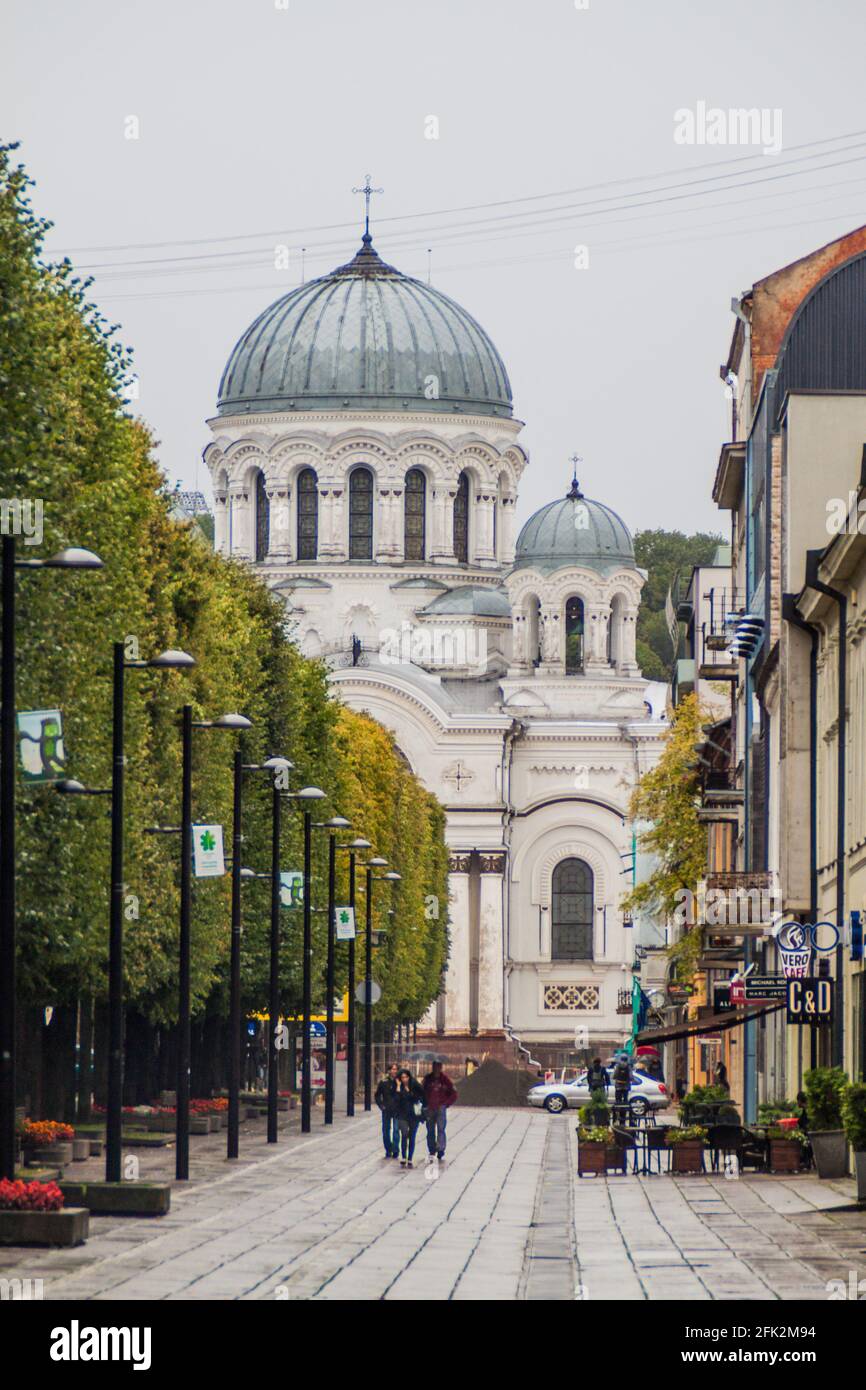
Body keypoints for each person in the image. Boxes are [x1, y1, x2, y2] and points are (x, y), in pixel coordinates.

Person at [422, 1061, 457, 1163]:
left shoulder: (445, 1080)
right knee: (430, 1130)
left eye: (438, 1066)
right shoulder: (427, 1079)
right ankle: (432, 1150)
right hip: (429, 1108)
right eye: (434, 1066)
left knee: (441, 1129)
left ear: (441, 1067)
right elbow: (421, 1091)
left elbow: (454, 1093)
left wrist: (446, 1104)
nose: (436, 1069)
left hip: (441, 1107)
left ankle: (441, 1149)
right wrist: (424, 1103)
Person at [395, 1068, 425, 1168]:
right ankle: (403, 1156)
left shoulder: (414, 1084)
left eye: (406, 1077)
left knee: (412, 1136)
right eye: (402, 1077)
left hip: (414, 1114)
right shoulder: (399, 1086)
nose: (404, 1079)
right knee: (404, 1134)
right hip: (402, 1114)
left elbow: (421, 1095)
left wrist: (411, 1093)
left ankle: (410, 1157)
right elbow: (396, 1100)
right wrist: (399, 1088)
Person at [375, 1062, 400, 1159]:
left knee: (396, 1130)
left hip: (397, 1109)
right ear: (389, 1071)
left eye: (396, 1069)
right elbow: (377, 1095)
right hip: (386, 1109)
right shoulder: (384, 1082)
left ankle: (395, 1149)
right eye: (392, 1069)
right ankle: (388, 1149)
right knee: (386, 1130)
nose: (394, 1071)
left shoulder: (399, 1082)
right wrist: (381, 1105)